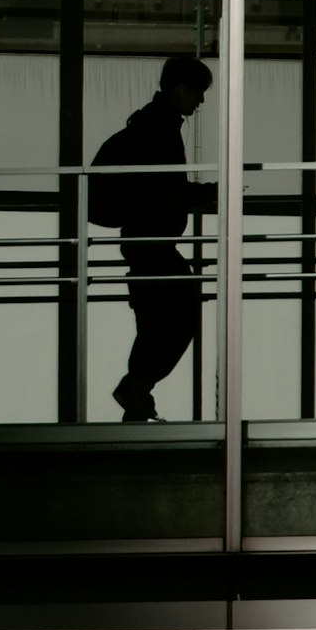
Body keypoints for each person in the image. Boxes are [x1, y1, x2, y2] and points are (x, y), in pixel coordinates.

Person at [90, 52, 219, 422]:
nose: (201, 101)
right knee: (174, 318)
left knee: (158, 323)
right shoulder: (160, 130)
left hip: (145, 241)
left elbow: (160, 188)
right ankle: (135, 391)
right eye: (198, 91)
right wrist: (210, 193)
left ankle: (137, 397)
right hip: (151, 243)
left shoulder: (151, 124)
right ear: (181, 89)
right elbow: (166, 190)